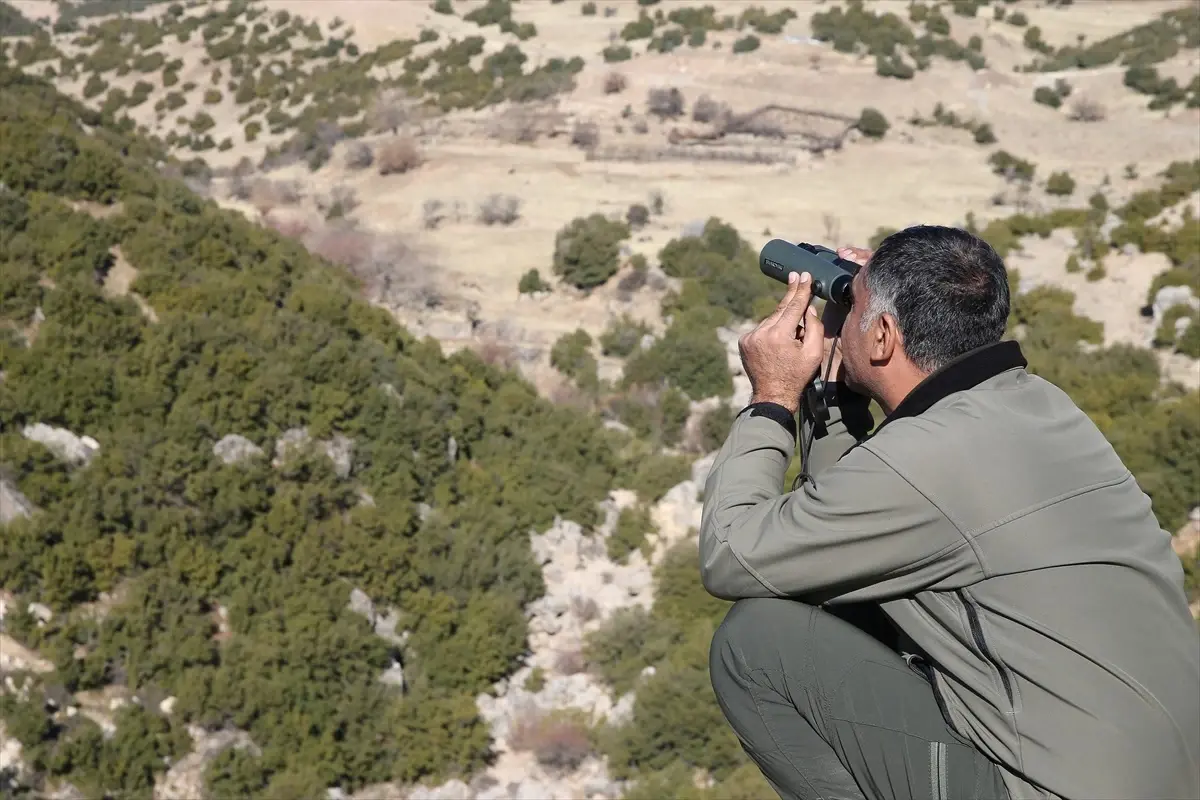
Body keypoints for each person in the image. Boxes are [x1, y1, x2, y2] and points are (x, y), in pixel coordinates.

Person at [699, 224, 1200, 800]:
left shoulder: (922, 460)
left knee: (756, 643)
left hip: (1050, 789)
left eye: (855, 307)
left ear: (884, 336)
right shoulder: (1044, 406)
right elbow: (850, 526)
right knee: (845, 602)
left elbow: (731, 554)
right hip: (1160, 776)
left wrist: (774, 398)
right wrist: (834, 395)